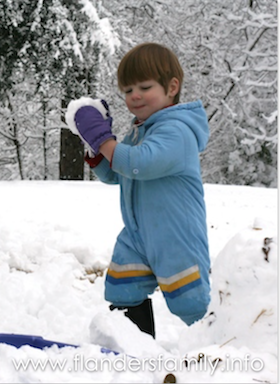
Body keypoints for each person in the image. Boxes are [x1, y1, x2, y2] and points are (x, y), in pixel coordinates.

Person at [65, 42, 211, 338]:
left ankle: (219, 350)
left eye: (144, 87)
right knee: (123, 289)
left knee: (191, 302)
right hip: (138, 234)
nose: (135, 96)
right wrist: (96, 147)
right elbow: (118, 173)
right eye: (128, 91)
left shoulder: (178, 131)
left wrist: (105, 140)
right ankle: (133, 353)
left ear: (172, 87)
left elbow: (139, 164)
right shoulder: (139, 131)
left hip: (176, 235)